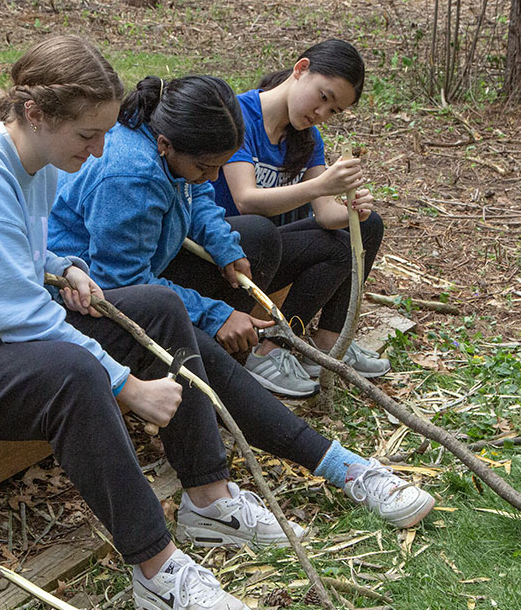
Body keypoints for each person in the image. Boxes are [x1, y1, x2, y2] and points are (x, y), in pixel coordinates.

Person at [0, 36, 323, 610]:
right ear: (36, 113)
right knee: (71, 377)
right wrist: (126, 384)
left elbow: (26, 256)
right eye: (87, 136)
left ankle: (209, 500)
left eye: (103, 133)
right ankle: (156, 567)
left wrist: (65, 265)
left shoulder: (35, 162)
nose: (100, 150)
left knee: (156, 301)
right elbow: (12, 315)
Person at [48, 74, 435, 531]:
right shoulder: (130, 174)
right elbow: (124, 284)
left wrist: (225, 247)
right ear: (167, 145)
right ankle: (339, 469)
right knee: (187, 342)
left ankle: (240, 406)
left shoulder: (166, 141)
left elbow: (199, 198)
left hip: (133, 282)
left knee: (249, 240)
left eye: (219, 166)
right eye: (206, 167)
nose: (213, 177)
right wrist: (215, 313)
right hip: (89, 301)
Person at [212, 39, 391, 381]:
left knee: (368, 227)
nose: (321, 113)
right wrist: (321, 186)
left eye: (334, 111)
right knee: (313, 241)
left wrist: (352, 210)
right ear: (301, 69)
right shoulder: (239, 116)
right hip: (226, 254)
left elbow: (324, 214)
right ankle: (272, 347)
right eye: (324, 98)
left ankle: (329, 344)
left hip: (267, 255)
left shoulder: (307, 138)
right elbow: (245, 199)